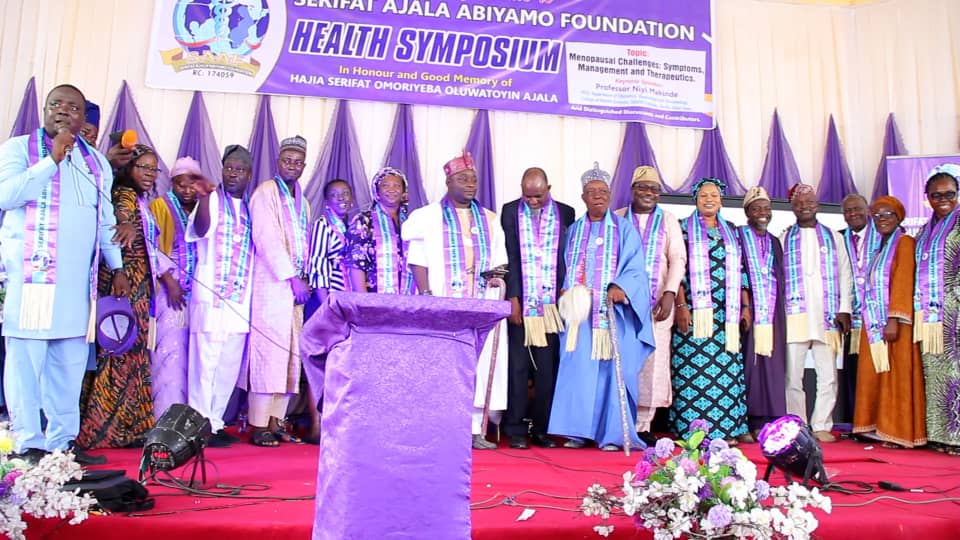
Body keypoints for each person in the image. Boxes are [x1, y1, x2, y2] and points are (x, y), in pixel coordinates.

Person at [0, 84, 129, 464]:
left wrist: (117, 266)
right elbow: (6, 196)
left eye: (72, 107)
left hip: (75, 284)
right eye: (55, 104)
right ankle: (28, 441)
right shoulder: (18, 149)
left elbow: (104, 218)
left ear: (82, 117)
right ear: (44, 110)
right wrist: (51, 160)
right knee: (26, 362)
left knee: (68, 364)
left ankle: (62, 442)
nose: (62, 111)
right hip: (34, 280)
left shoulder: (96, 162)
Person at [402, 150, 508, 450]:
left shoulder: (490, 219)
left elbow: (500, 261)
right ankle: (437, 428)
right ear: (448, 182)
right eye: (463, 179)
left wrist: (496, 276)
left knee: (479, 364)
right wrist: (425, 297)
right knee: (440, 365)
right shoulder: (427, 217)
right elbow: (417, 260)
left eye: (473, 179)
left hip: (480, 304)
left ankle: (474, 430)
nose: (470, 184)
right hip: (442, 303)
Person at [548, 163, 656, 451]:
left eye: (603, 191)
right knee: (578, 371)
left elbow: (636, 269)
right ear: (583, 197)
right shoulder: (573, 231)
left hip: (612, 314)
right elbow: (562, 265)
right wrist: (564, 287)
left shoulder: (624, 229)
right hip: (579, 317)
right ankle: (577, 432)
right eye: (591, 192)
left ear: (609, 196)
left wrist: (622, 287)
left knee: (613, 373)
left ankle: (613, 435)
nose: (598, 196)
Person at [78, 144, 159, 449]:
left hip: (139, 283)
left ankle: (131, 427)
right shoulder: (124, 193)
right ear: (128, 169)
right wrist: (123, 222)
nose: (150, 174)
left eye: (154, 169)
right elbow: (119, 217)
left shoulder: (140, 198)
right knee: (119, 351)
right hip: (125, 282)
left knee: (132, 354)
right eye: (143, 167)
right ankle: (105, 430)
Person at [500, 167, 575, 449]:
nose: (532, 201)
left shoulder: (566, 213)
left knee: (547, 369)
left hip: (552, 305)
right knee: (518, 367)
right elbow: (510, 256)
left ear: (549, 189)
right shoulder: (509, 211)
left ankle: (543, 429)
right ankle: (516, 429)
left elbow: (568, 257)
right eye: (527, 196)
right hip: (521, 302)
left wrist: (567, 291)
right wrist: (513, 297)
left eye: (538, 196)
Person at [670, 178, 749, 444]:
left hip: (726, 316)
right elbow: (676, 269)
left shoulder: (732, 231)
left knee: (726, 374)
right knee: (694, 373)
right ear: (696, 199)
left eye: (714, 195)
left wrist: (745, 306)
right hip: (694, 313)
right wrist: (681, 305)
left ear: (721, 200)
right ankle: (694, 430)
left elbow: (742, 271)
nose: (709, 199)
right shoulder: (682, 228)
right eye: (704, 195)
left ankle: (727, 429)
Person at [244, 135, 311, 447]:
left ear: (304, 166)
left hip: (295, 289)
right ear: (278, 162)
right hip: (272, 284)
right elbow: (266, 238)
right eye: (287, 160)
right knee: (268, 352)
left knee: (289, 355)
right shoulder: (265, 192)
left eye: (298, 162)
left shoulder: (303, 201)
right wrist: (291, 277)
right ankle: (259, 424)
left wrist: (303, 277)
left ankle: (276, 421)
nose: (292, 166)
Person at [185, 145, 254, 448]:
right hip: (211, 296)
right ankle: (198, 424)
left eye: (239, 169)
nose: (233, 174)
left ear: (249, 174)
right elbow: (200, 230)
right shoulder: (212, 199)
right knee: (205, 361)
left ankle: (215, 422)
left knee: (228, 364)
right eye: (229, 168)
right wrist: (202, 198)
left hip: (240, 299)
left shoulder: (252, 208)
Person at [614, 165, 684, 444]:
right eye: (643, 187)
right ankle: (619, 422)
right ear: (633, 190)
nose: (648, 193)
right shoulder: (618, 217)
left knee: (653, 364)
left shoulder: (668, 220)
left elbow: (678, 259)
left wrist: (670, 293)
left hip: (658, 306)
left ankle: (643, 425)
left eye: (654, 189)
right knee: (622, 362)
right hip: (624, 306)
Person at [780, 183, 853, 443]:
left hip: (827, 315)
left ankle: (822, 424)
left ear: (817, 204)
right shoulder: (783, 237)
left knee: (828, 374)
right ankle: (797, 424)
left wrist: (844, 309)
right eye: (799, 203)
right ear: (792, 207)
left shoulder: (834, 237)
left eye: (809, 202)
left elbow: (845, 274)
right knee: (792, 375)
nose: (805, 207)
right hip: (795, 316)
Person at [852, 196, 925, 448]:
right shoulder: (879, 247)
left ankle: (898, 431)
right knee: (876, 375)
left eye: (887, 214)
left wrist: (895, 318)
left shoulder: (904, 242)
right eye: (877, 215)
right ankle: (876, 426)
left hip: (895, 324)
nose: (882, 219)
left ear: (899, 217)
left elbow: (903, 282)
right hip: (875, 322)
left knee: (896, 376)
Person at [148, 157, 199, 420]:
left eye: (192, 185)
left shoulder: (202, 210)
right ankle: (166, 416)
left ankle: (189, 418)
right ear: (172, 183)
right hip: (170, 291)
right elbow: (151, 247)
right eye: (181, 184)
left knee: (193, 356)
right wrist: (169, 281)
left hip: (197, 292)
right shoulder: (160, 206)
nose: (187, 190)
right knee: (170, 353)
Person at [916, 165, 960, 455]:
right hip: (930, 318)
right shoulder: (924, 230)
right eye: (936, 195)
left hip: (956, 312)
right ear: (927, 197)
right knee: (934, 375)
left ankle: (957, 436)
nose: (943, 199)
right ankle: (940, 434)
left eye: (949, 194)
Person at [738, 186, 787, 440]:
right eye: (756, 208)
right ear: (747, 212)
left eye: (767, 208)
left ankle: (771, 420)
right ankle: (748, 420)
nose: (763, 213)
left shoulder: (775, 242)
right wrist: (745, 306)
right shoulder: (738, 236)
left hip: (772, 312)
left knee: (772, 366)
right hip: (745, 311)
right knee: (749, 365)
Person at [837, 193, 880, 424]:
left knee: (877, 371)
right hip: (851, 319)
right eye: (848, 211)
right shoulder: (839, 238)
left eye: (857, 209)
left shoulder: (884, 236)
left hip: (878, 318)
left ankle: (878, 421)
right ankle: (857, 422)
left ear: (868, 210)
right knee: (853, 371)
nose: (853, 214)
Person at [345, 167, 414, 294]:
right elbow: (355, 263)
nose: (391, 189)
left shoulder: (410, 223)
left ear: (404, 192)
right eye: (385, 185)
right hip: (373, 295)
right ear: (377, 192)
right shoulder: (364, 220)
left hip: (406, 296)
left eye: (397, 185)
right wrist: (363, 299)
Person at [306, 178, 354, 316]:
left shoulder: (351, 227)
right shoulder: (322, 225)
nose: (341, 198)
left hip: (346, 298)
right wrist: (327, 308)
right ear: (327, 202)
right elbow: (318, 264)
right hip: (328, 300)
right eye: (334, 195)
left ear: (352, 199)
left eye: (345, 193)